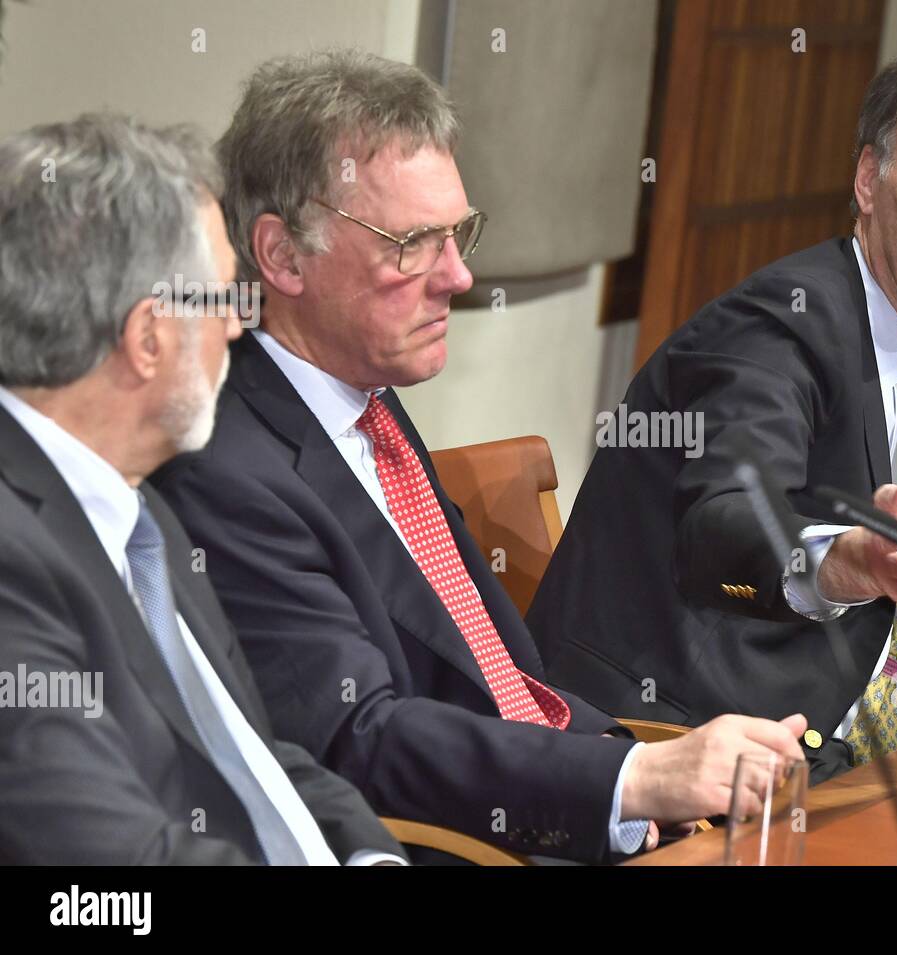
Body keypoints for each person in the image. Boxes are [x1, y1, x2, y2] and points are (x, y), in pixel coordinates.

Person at [151, 50, 806, 864]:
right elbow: (357, 739)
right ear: (282, 256)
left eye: (457, 233)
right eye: (412, 243)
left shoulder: (368, 400)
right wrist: (633, 779)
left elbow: (496, 678)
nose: (458, 276)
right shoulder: (222, 464)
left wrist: (646, 773)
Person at [528, 40, 897, 782]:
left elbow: (879, 612)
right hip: (664, 739)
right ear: (870, 180)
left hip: (821, 751)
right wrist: (839, 562)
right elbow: (722, 528)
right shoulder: (774, 330)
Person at [0, 114, 405, 865]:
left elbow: (248, 749)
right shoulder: (12, 563)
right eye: (224, 297)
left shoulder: (141, 508)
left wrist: (371, 857)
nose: (236, 329)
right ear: (148, 337)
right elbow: (110, 868)